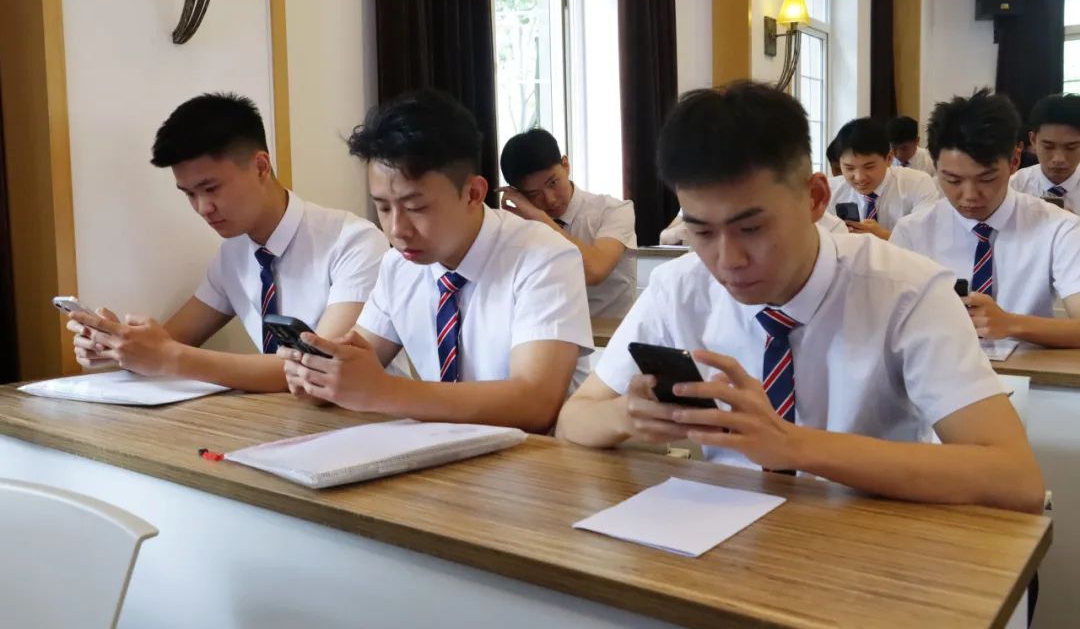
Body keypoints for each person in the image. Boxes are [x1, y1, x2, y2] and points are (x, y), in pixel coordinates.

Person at [555, 81, 1043, 513]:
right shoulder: (679, 288)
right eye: (701, 231)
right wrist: (627, 415)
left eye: (751, 228)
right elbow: (573, 420)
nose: (727, 260)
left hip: (871, 536)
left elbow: (1015, 479)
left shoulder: (907, 291)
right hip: (723, 534)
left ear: (815, 198)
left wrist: (793, 445)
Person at [278, 90, 594, 433]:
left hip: (541, 458)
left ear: (473, 193)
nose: (396, 229)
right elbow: (361, 355)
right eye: (382, 207)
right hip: (442, 451)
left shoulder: (544, 257)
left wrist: (385, 390)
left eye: (416, 207)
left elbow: (535, 403)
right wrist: (320, 374)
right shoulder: (398, 266)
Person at [68, 93, 389, 392]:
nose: (202, 208)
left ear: (261, 167)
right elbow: (171, 340)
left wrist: (168, 357)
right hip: (277, 421)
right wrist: (117, 346)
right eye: (189, 194)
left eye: (211, 188)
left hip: (365, 420)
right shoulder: (233, 254)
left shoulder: (354, 242)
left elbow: (320, 368)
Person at [892, 89, 1080, 348]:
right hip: (937, 366)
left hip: (1027, 367)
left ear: (1014, 161)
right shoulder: (912, 232)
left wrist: (1010, 324)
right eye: (953, 180)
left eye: (986, 179)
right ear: (935, 166)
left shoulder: (1058, 228)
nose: (970, 196)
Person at [498, 129, 637, 318]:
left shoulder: (614, 210)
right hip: (547, 332)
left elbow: (595, 271)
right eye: (533, 194)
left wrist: (540, 218)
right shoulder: (517, 225)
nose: (549, 199)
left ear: (566, 165)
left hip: (609, 333)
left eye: (553, 183)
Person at [828, 117, 938, 240]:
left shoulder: (918, 184)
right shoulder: (830, 192)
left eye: (869, 167)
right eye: (849, 168)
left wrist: (885, 236)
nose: (859, 178)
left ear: (889, 159)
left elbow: (928, 241)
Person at [1010, 94, 1080, 212]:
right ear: (1033, 140)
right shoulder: (1014, 186)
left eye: (1070, 148)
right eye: (1048, 147)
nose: (1058, 159)